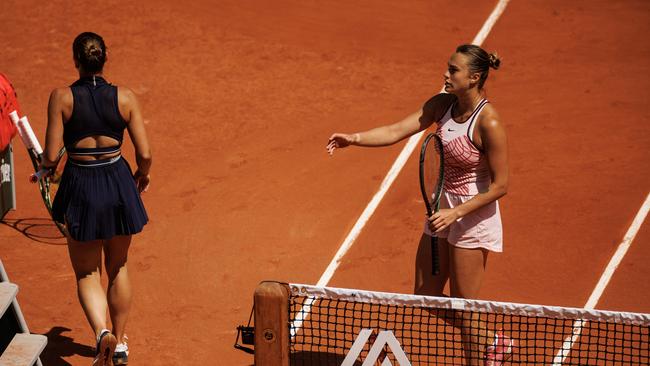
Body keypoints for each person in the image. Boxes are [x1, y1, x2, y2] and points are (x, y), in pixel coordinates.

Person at [327, 44, 512, 365]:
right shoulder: (442, 104)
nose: (446, 73)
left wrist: (456, 212)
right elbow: (397, 129)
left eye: (454, 70)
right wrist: (353, 138)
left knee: (464, 307)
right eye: (448, 67)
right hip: (442, 210)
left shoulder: (489, 123)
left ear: (474, 78)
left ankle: (481, 356)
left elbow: (501, 185)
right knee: (425, 296)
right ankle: (493, 341)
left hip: (471, 217)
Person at [41, 32, 151, 366]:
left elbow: (49, 156)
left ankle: (103, 333)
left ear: (76, 60)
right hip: (118, 183)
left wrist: (46, 169)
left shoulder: (61, 98)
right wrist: (139, 177)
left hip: (82, 187)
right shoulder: (126, 97)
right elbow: (145, 155)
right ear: (105, 58)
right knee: (118, 266)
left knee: (87, 272)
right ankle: (119, 347)